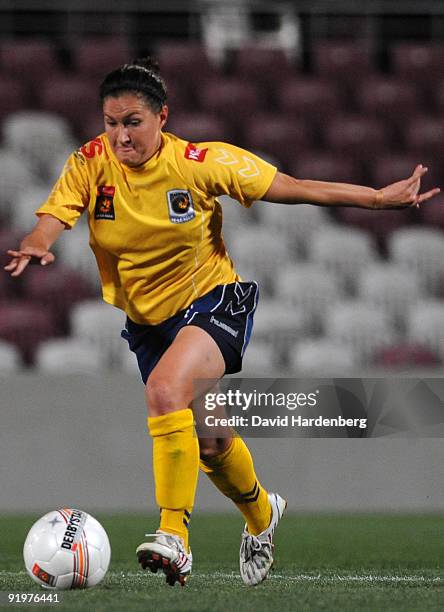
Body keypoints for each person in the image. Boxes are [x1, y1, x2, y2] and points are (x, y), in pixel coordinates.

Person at [4, 58, 440, 588]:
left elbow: (296, 187)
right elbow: (56, 215)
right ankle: (262, 514)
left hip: (214, 303)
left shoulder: (201, 163)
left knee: (165, 390)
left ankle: (174, 537)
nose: (120, 135)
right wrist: (36, 243)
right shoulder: (91, 162)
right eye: (111, 122)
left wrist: (376, 198)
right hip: (149, 324)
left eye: (133, 122)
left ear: (162, 117)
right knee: (209, 441)